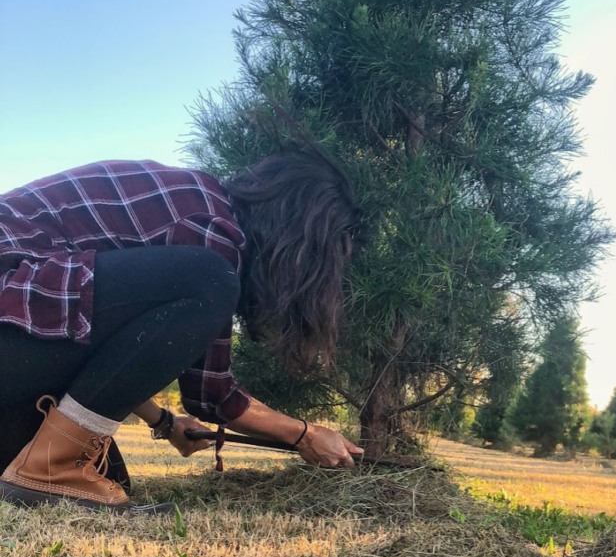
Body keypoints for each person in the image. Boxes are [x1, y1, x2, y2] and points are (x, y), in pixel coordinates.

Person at [0, 155, 363, 512]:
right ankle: (50, 469)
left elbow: (95, 339)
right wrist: (306, 435)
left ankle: (48, 467)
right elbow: (214, 394)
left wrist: (164, 422)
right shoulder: (210, 227)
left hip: (19, 339)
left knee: (104, 479)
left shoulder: (189, 200)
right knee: (208, 279)